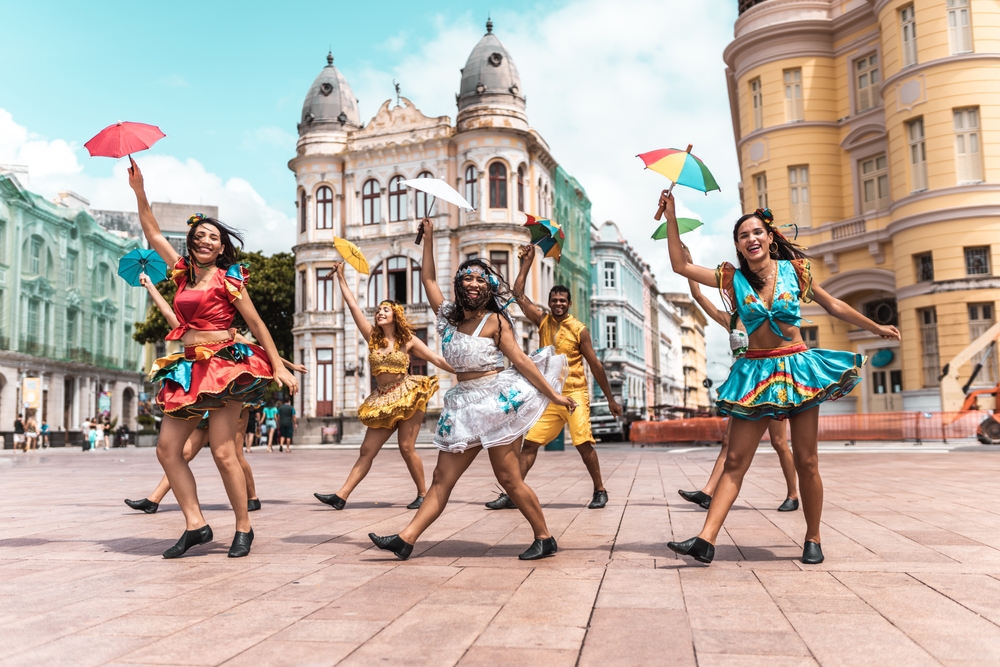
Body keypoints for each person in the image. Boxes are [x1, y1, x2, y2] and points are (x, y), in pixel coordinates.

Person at [659, 193, 899, 565]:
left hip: (798, 368)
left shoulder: (796, 271)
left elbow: (834, 305)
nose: (751, 239)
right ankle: (705, 539)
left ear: (770, 237)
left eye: (757, 232)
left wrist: (876, 327)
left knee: (808, 461)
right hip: (755, 371)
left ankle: (813, 537)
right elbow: (680, 266)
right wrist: (672, 216)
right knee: (735, 461)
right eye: (743, 235)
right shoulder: (731, 278)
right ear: (738, 245)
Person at [368, 218, 576, 561]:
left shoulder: (496, 320)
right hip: (463, 406)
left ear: (490, 287)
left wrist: (553, 395)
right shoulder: (448, 316)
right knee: (441, 479)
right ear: (459, 283)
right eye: (468, 277)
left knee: (509, 479)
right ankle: (405, 539)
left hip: (496, 402)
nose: (475, 283)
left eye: (482, 279)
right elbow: (429, 278)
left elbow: (522, 362)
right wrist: (430, 238)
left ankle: (544, 537)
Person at [128, 157, 297, 559]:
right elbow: (152, 232)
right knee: (167, 450)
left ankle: (243, 527)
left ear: (222, 247)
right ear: (191, 241)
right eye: (199, 236)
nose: (204, 241)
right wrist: (140, 192)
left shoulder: (229, 279)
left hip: (224, 366)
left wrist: (278, 368)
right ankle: (196, 524)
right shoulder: (182, 273)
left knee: (224, 452)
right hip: (188, 368)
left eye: (212, 238)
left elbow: (256, 324)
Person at [127, 272, 306, 515]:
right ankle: (154, 498)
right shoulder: (189, 330)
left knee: (232, 453)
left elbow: (259, 350)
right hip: (201, 394)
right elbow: (169, 314)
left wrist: (286, 365)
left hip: (230, 391)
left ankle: (251, 497)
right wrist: (150, 286)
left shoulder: (231, 335)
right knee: (188, 451)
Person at [482, 244, 621, 511]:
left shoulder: (579, 330)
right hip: (548, 395)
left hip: (575, 395)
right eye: (554, 300)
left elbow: (596, 365)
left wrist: (610, 399)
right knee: (531, 443)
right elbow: (519, 294)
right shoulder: (543, 320)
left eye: (562, 301)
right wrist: (527, 262)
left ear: (568, 304)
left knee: (583, 443)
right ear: (550, 303)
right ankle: (512, 493)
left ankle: (600, 490)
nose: (558, 304)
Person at [314, 262, 452, 511]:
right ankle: (341, 495)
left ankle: (423, 494)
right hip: (383, 399)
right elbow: (353, 307)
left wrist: (466, 371)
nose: (380, 313)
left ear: (395, 315)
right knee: (366, 449)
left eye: (385, 310)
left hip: (408, 394)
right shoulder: (372, 337)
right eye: (378, 310)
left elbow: (436, 359)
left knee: (406, 447)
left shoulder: (408, 340)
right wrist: (342, 278)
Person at [677, 248, 799, 512]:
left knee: (779, 442)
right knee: (728, 441)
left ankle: (793, 493)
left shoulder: (765, 314)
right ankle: (708, 491)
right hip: (744, 386)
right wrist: (689, 264)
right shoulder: (730, 320)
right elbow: (698, 296)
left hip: (771, 381)